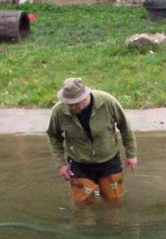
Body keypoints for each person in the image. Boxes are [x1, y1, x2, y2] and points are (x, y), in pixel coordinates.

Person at [46, 77, 138, 205]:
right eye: (68, 103)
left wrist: (131, 154)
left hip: (109, 160)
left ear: (85, 96)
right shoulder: (59, 111)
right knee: (81, 204)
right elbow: (53, 136)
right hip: (79, 162)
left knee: (115, 201)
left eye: (75, 103)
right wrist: (61, 164)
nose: (72, 107)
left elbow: (125, 127)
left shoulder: (108, 102)